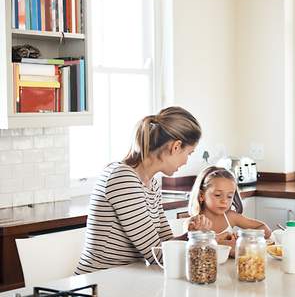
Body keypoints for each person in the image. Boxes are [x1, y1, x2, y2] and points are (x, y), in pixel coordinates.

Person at [75, 106, 210, 274]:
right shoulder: (122, 178)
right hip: (98, 284)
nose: (186, 162)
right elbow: (158, 255)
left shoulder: (151, 183)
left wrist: (190, 233)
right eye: (189, 153)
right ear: (176, 147)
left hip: (123, 280)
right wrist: (193, 236)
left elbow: (166, 242)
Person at [187, 166, 271, 256]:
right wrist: (221, 240)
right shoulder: (195, 223)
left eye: (229, 196)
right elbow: (195, 248)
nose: (224, 201)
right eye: (218, 195)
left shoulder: (231, 217)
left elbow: (266, 230)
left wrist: (243, 238)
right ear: (201, 195)